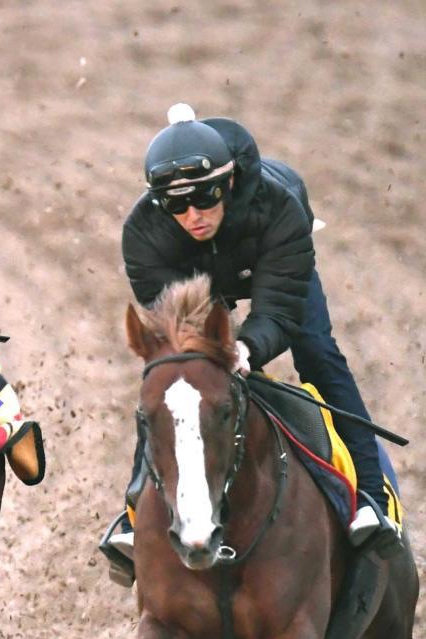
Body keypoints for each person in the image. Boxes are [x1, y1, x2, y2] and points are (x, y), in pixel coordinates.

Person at [101, 103, 402, 586]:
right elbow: (180, 338)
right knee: (173, 381)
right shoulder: (145, 232)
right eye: (178, 206)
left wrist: (246, 349)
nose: (193, 217)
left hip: (268, 261)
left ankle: (370, 498)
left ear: (230, 183)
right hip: (196, 279)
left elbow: (279, 308)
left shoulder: (281, 206)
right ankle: (135, 512)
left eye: (205, 199)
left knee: (320, 358)